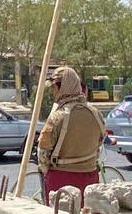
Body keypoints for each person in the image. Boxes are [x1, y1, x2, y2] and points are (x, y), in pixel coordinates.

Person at [36, 67, 107, 196]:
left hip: (61, 181)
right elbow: (99, 144)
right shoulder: (96, 114)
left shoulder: (57, 117)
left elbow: (43, 152)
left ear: (62, 87)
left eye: (53, 88)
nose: (52, 92)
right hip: (90, 180)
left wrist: (46, 170)